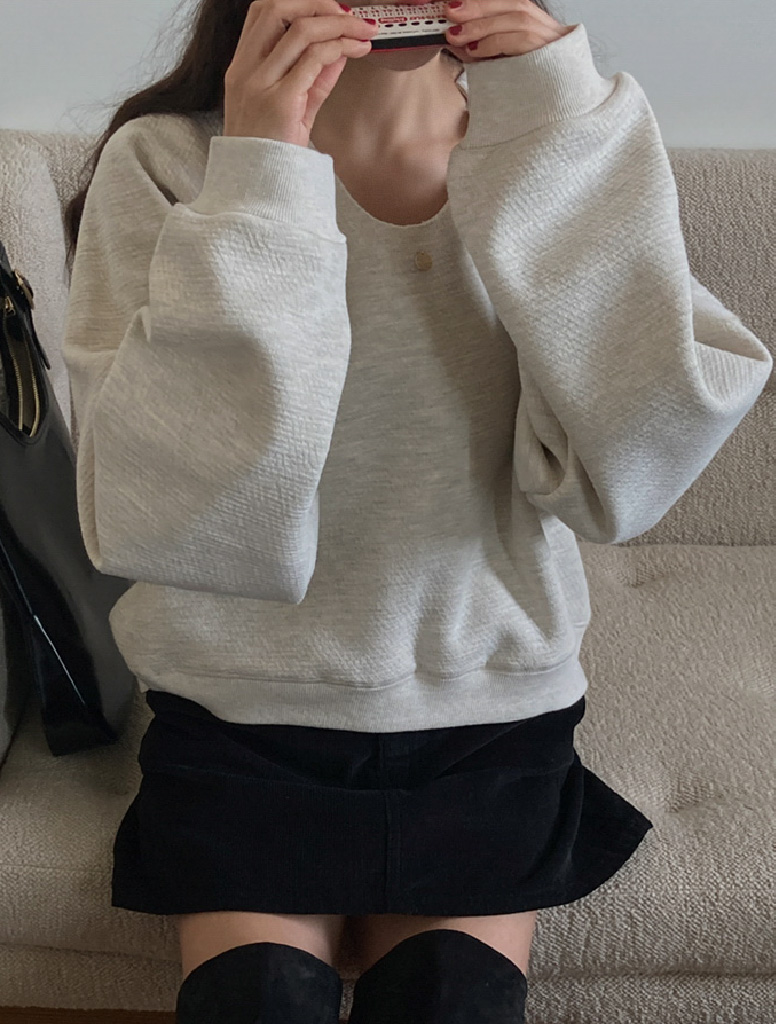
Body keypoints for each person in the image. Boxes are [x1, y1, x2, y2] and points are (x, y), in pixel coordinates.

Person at [61, 1, 773, 1021]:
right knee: (254, 999)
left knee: (452, 999)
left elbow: (627, 473)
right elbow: (177, 517)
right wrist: (262, 169)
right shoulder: (169, 161)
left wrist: (555, 130)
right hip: (238, 708)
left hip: (488, 709)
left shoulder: (558, 144)